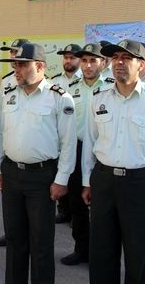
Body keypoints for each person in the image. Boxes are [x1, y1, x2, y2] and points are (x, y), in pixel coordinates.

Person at [0, 43, 77, 284]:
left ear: (39, 66)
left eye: (21, 64)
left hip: (42, 177)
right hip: (11, 173)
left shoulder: (60, 97)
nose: (15, 69)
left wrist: (62, 180)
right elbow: (0, 135)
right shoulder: (8, 94)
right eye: (14, 64)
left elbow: (68, 144)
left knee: (41, 243)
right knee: (14, 239)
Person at [81, 40, 145, 284]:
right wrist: (87, 182)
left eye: (127, 58)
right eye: (115, 57)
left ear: (141, 65)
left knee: (138, 251)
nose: (119, 62)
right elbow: (90, 142)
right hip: (104, 181)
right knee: (101, 250)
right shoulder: (99, 99)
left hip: (138, 183)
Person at [58, 43, 112, 266]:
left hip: (103, 152)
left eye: (93, 60)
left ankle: (102, 256)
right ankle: (82, 249)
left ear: (104, 62)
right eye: (85, 61)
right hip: (77, 149)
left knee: (102, 209)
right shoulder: (72, 88)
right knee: (77, 204)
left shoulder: (111, 86)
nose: (88, 65)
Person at [0, 38, 30, 248]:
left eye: (16, 53)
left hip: (32, 154)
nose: (14, 57)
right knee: (10, 202)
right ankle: (11, 234)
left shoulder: (44, 83)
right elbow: (0, 121)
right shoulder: (7, 82)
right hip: (10, 152)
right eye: (12, 54)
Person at [50, 43, 82, 224]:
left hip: (78, 138)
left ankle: (77, 213)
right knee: (60, 174)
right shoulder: (54, 81)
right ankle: (63, 210)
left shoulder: (86, 79)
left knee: (76, 179)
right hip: (58, 138)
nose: (68, 60)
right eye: (66, 57)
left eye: (72, 57)